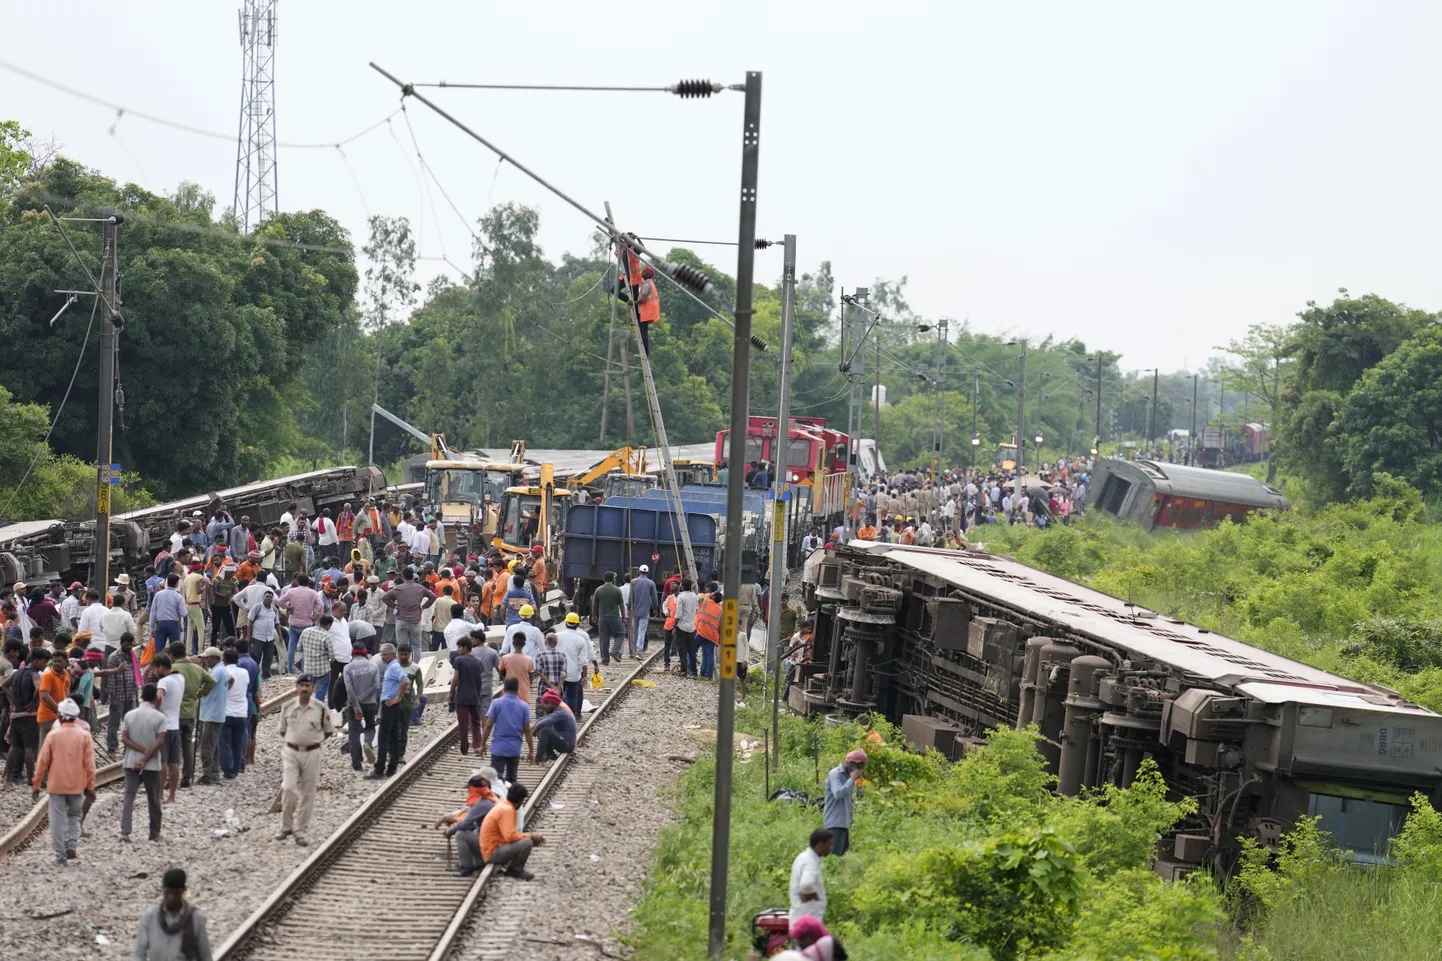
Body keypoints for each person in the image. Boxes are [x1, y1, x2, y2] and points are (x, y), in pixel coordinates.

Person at [31, 697, 95, 866]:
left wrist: (36, 783)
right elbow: (90, 764)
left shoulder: (53, 735)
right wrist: (91, 785)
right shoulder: (84, 736)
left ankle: (60, 855)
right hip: (77, 784)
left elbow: (42, 761)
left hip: (56, 784)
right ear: (75, 716)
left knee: (57, 820)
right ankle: (72, 843)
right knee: (75, 815)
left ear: (60, 716)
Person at [276, 673, 334, 846]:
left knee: (308, 793)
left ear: (312, 688)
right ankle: (286, 826)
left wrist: (312, 741)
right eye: (301, 685)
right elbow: (282, 730)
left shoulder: (320, 708)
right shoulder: (287, 707)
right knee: (288, 788)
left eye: (307, 686)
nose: (304, 689)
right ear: (296, 687)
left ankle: (300, 830)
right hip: (291, 752)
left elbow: (328, 730)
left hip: (312, 753)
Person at [132, 867, 213, 961]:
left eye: (176, 893)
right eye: (167, 893)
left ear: (183, 891)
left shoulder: (195, 918)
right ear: (162, 890)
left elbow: (205, 954)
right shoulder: (150, 917)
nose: (171, 898)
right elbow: (138, 953)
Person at [120, 682, 166, 842]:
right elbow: (159, 742)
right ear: (155, 698)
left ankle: (125, 832)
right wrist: (146, 756)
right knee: (153, 797)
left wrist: (140, 751)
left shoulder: (130, 715)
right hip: (152, 764)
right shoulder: (160, 717)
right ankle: (154, 833)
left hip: (131, 761)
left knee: (129, 796)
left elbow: (124, 739)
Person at [440, 769, 499, 878]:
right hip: (492, 840)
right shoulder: (489, 799)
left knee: (461, 834)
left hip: (491, 844)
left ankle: (466, 867)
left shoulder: (482, 804)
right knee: (470, 831)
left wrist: (450, 831)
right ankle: (474, 861)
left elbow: (466, 823)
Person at [479, 782, 544, 880]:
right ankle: (515, 870)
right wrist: (530, 836)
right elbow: (510, 836)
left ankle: (511, 867)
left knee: (523, 839)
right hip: (492, 853)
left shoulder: (504, 806)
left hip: (492, 848)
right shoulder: (507, 810)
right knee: (526, 842)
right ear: (521, 800)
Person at [480, 675, 532, 785]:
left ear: (504, 689)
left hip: (498, 747)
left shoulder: (496, 703)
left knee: (495, 779)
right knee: (512, 778)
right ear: (518, 689)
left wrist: (482, 744)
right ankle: (509, 800)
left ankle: (497, 800)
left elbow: (488, 725)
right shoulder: (523, 706)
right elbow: (527, 730)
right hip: (514, 748)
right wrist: (531, 750)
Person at [449, 635, 496, 756]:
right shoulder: (478, 661)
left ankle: (464, 749)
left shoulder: (459, 660)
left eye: (459, 647)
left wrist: (451, 693)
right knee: (476, 722)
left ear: (465, 648)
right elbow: (478, 680)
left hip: (462, 697)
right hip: (475, 696)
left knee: (463, 723)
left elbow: (455, 678)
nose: (458, 649)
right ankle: (477, 744)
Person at [368, 643, 410, 780]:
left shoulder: (393, 667)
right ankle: (392, 768)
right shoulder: (392, 667)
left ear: (392, 654)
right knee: (393, 737)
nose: (381, 657)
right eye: (381, 654)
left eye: (384, 654)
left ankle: (379, 769)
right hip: (390, 705)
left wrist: (397, 698)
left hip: (390, 705)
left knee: (383, 737)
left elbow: (405, 681)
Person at [150, 653, 184, 804]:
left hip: (163, 726)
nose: (154, 672)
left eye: (155, 668)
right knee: (174, 763)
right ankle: (172, 796)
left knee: (162, 763)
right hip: (175, 725)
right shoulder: (180, 678)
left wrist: (155, 710)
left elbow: (158, 696)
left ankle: (160, 796)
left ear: (161, 667)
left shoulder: (163, 681)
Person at [343, 643, 380, 771]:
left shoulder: (348, 668)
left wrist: (357, 705)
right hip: (370, 703)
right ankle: (368, 743)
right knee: (370, 727)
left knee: (354, 733)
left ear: (352, 653)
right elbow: (376, 686)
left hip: (354, 705)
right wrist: (364, 698)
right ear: (365, 652)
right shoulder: (373, 665)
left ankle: (357, 764)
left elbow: (349, 688)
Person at [823, 749, 867, 856]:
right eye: (858, 766)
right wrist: (852, 779)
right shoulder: (835, 774)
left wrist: (859, 782)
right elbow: (838, 793)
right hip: (834, 825)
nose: (859, 769)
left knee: (842, 859)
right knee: (834, 859)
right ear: (850, 764)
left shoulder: (847, 777)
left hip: (844, 824)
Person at [382, 567, 435, 652]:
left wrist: (395, 606)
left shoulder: (398, 588)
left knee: (402, 646)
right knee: (416, 646)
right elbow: (433, 597)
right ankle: (415, 664)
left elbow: (384, 598)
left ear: (403, 577)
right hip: (415, 620)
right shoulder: (420, 588)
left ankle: (403, 664)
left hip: (402, 620)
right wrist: (423, 607)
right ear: (412, 577)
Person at [195, 647, 227, 785]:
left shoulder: (218, 670)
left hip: (211, 714)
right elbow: (230, 682)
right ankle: (214, 772)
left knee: (207, 745)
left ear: (213, 658)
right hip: (216, 712)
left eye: (206, 658)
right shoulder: (222, 670)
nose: (204, 660)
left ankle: (207, 774)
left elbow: (208, 682)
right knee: (213, 745)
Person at [555, 613, 596, 718]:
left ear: (566, 623)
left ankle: (560, 715)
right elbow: (583, 660)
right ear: (578, 624)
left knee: (560, 693)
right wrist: (585, 676)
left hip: (559, 671)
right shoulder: (581, 639)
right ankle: (573, 716)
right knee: (573, 695)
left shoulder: (558, 636)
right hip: (574, 672)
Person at [790, 828, 833, 925]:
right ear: (820, 845)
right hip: (809, 919)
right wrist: (812, 894)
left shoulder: (802, 857)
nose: (830, 848)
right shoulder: (810, 862)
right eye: (829, 845)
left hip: (799, 916)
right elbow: (806, 883)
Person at [219, 650, 249, 780]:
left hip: (226, 711)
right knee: (237, 742)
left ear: (224, 660)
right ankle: (236, 768)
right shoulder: (244, 673)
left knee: (225, 742)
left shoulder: (224, 672)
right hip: (241, 711)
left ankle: (228, 770)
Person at [36, 645, 70, 749]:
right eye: (54, 661)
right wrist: (59, 709)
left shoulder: (66, 674)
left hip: (59, 716)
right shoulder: (48, 676)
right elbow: (45, 696)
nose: (56, 664)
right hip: (48, 716)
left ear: (65, 662)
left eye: (59, 661)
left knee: (56, 748)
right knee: (46, 749)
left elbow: (65, 694)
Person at [590, 571, 625, 667]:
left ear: (604, 579)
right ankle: (614, 650)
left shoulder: (598, 590)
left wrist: (593, 616)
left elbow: (594, 605)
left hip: (602, 617)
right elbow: (621, 605)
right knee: (620, 634)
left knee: (604, 638)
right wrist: (624, 618)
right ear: (613, 579)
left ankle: (605, 660)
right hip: (614, 617)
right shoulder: (617, 590)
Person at [533, 690, 576, 762]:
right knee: (542, 728)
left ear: (553, 704)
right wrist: (533, 727)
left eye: (546, 703)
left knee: (545, 730)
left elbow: (543, 723)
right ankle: (550, 754)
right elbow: (541, 720)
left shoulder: (560, 713)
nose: (543, 706)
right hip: (562, 739)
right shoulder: (556, 710)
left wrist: (533, 732)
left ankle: (538, 758)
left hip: (567, 744)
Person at [695, 587, 724, 681]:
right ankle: (707, 675)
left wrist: (709, 594)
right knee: (709, 654)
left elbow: (699, 596)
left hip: (702, 631)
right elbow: (720, 626)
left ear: (714, 597)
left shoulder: (707, 602)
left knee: (692, 649)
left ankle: (691, 669)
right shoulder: (720, 610)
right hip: (712, 636)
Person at [499, 632, 535, 707]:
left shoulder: (505, 658)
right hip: (524, 692)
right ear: (524, 644)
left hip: (508, 691)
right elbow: (530, 675)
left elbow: (501, 672)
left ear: (513, 643)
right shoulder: (529, 660)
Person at [629, 564, 658, 658]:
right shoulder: (651, 583)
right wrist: (656, 607)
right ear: (647, 572)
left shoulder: (633, 581)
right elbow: (654, 598)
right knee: (642, 631)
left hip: (635, 610)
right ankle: (639, 652)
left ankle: (633, 650)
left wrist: (629, 605)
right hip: (645, 611)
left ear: (639, 572)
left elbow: (631, 597)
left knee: (635, 631)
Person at [673, 578, 699, 678]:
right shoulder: (695, 596)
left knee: (682, 650)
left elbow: (678, 614)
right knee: (692, 650)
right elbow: (697, 610)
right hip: (691, 627)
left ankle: (683, 671)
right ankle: (694, 671)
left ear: (682, 586)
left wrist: (675, 627)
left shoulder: (681, 597)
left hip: (681, 627)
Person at [533, 632, 567, 704]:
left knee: (542, 711)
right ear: (556, 643)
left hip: (543, 688)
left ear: (545, 642)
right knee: (556, 711)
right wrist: (558, 688)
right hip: (557, 691)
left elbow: (539, 672)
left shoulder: (540, 655)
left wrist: (551, 686)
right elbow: (563, 674)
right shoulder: (563, 655)